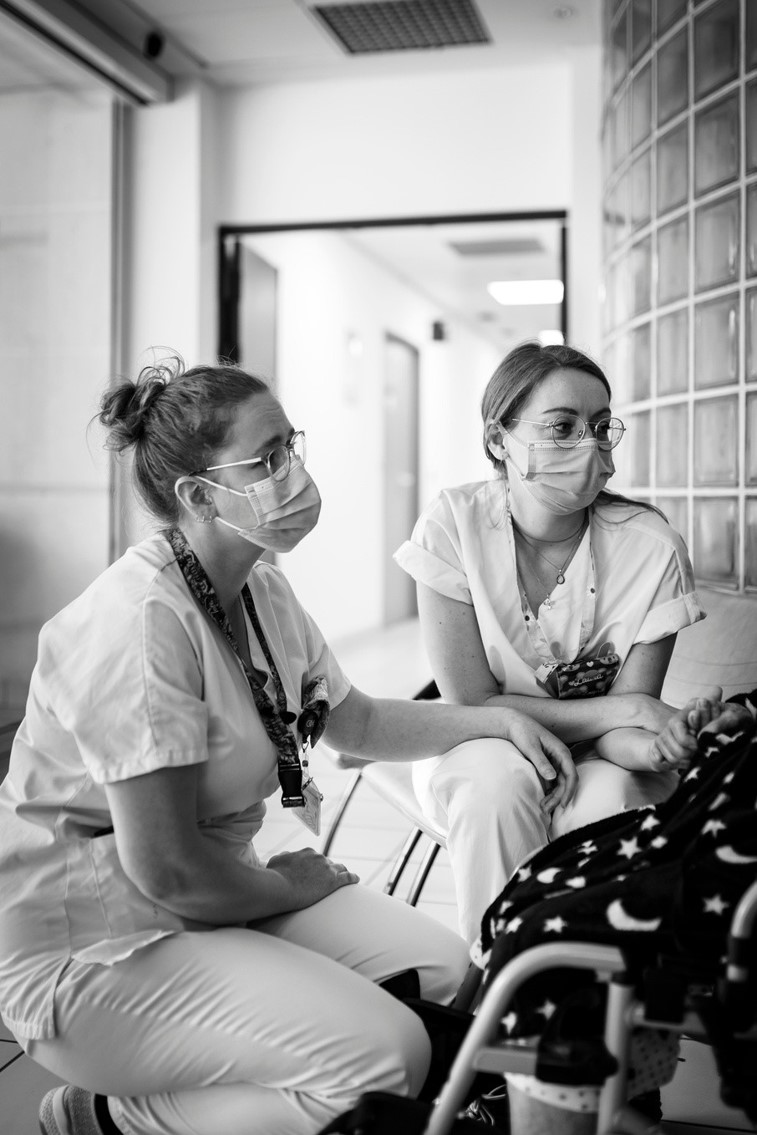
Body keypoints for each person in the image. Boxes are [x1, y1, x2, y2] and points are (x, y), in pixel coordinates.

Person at [0, 356, 576, 1135]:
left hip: (213, 893)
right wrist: (291, 887)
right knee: (385, 1054)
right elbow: (165, 865)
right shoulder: (135, 626)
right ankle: (117, 1117)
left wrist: (496, 719)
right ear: (199, 495)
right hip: (96, 947)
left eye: (289, 446)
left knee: (449, 977)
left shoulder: (260, 588)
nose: (293, 472)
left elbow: (359, 724)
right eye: (266, 459)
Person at [394, 341, 704, 944]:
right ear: (497, 439)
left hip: (598, 755)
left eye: (599, 427)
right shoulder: (451, 525)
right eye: (561, 426)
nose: (587, 446)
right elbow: (472, 704)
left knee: (609, 802)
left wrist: (662, 747)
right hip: (476, 741)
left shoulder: (652, 549)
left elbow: (627, 735)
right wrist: (626, 709)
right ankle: (498, 979)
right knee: (497, 785)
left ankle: (587, 996)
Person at [474, 685, 757, 1135]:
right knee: (536, 879)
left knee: (543, 935)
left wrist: (648, 725)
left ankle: (539, 1088)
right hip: (713, 806)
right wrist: (735, 717)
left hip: (725, 836)